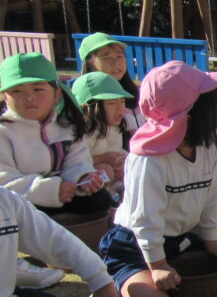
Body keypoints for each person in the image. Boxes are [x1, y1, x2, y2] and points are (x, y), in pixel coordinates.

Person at [98, 61, 217, 297]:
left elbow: (213, 197)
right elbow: (143, 218)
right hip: (135, 246)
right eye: (213, 102)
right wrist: (157, 265)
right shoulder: (148, 157)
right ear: (192, 113)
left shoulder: (208, 147)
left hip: (178, 241)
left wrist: (210, 239)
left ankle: (150, 284)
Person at [0, 53, 112, 217]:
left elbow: (77, 159)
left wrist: (82, 177)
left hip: (62, 192)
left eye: (38, 88)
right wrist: (51, 190)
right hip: (23, 202)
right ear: (5, 97)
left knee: (100, 199)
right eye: (17, 91)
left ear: (57, 93)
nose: (29, 97)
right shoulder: (4, 132)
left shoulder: (65, 125)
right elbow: (5, 180)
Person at [71, 72, 133, 201]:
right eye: (111, 103)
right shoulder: (85, 131)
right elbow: (74, 162)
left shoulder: (114, 127)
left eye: (122, 101)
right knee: (105, 171)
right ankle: (107, 200)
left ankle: (120, 193)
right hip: (88, 178)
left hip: (112, 174)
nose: (120, 108)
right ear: (88, 107)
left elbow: (116, 150)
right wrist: (102, 158)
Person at [77, 32, 144, 133]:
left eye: (120, 56)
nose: (116, 62)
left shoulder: (138, 93)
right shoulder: (89, 101)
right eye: (107, 58)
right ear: (89, 63)